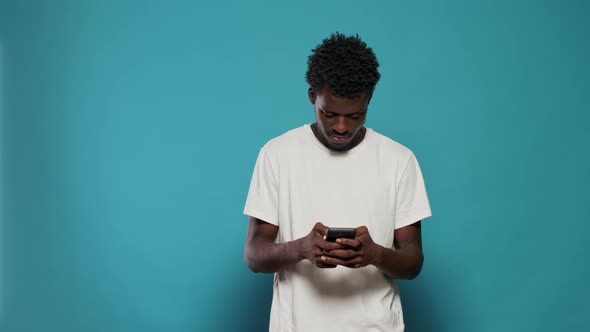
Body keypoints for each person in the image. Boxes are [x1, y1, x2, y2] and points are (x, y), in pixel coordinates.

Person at [243, 32, 432, 332]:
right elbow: (254, 254)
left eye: (355, 115)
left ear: (369, 100)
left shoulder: (400, 160)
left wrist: (375, 254)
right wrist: (301, 249)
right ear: (311, 97)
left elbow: (413, 261)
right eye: (329, 114)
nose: (341, 127)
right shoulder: (276, 155)